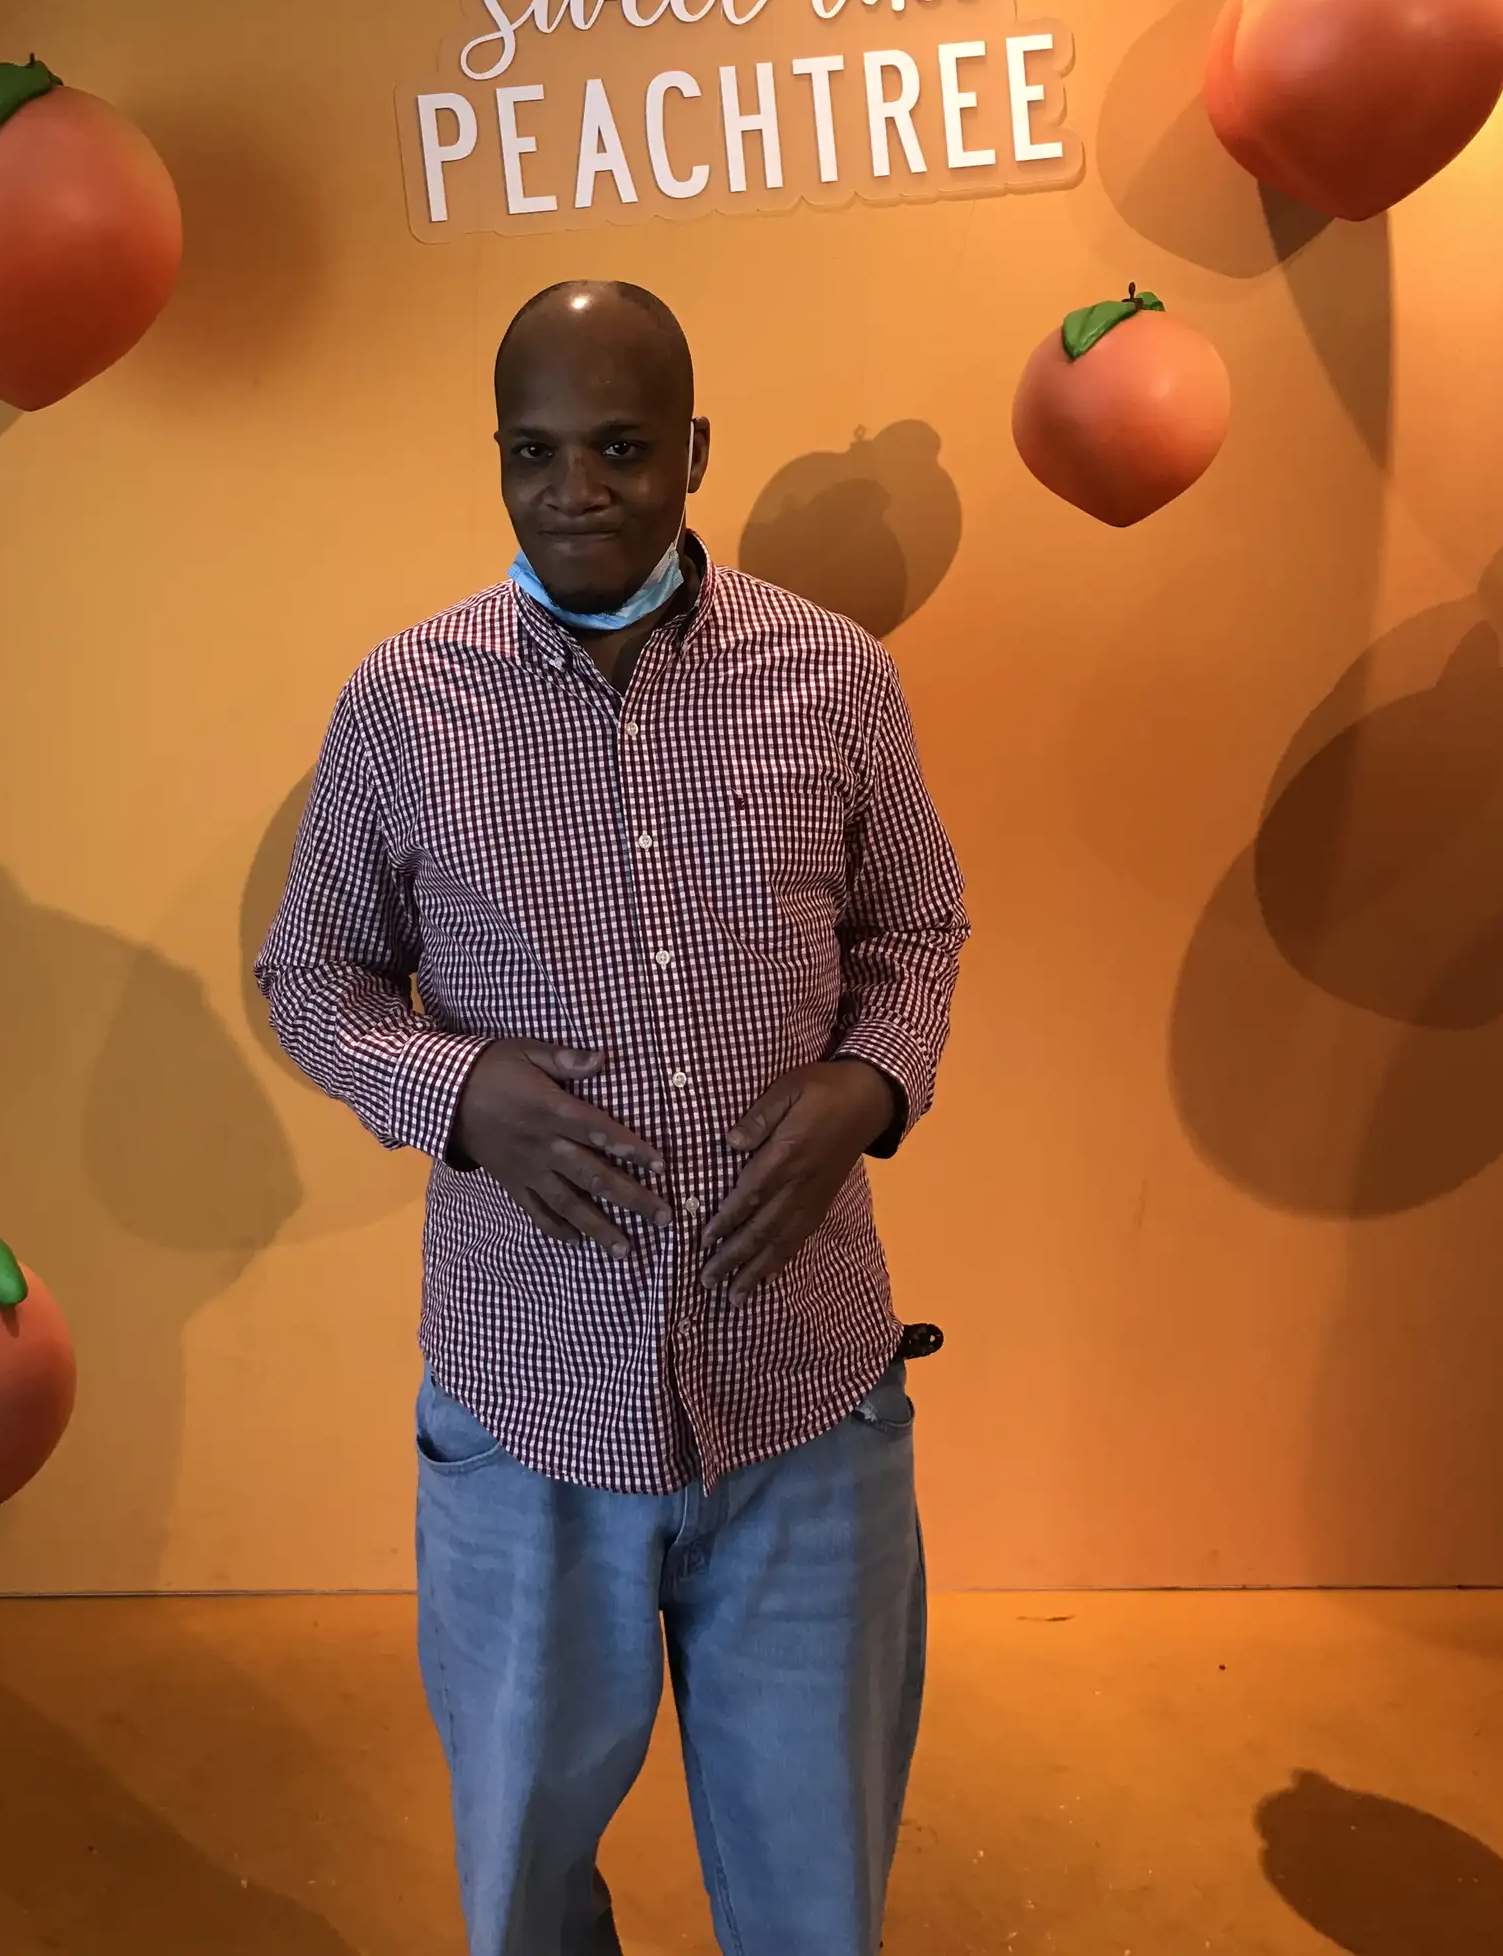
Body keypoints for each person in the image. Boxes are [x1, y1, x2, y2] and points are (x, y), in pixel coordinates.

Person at [256, 280, 968, 1956]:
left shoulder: (835, 681)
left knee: (817, 1896)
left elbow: (916, 929)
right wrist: (455, 1092)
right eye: (535, 451)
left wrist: (868, 1082)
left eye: (623, 449)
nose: (575, 491)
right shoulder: (404, 704)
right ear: (500, 457)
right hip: (527, 1403)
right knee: (521, 1884)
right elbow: (311, 975)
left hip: (803, 1393)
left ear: (695, 451)